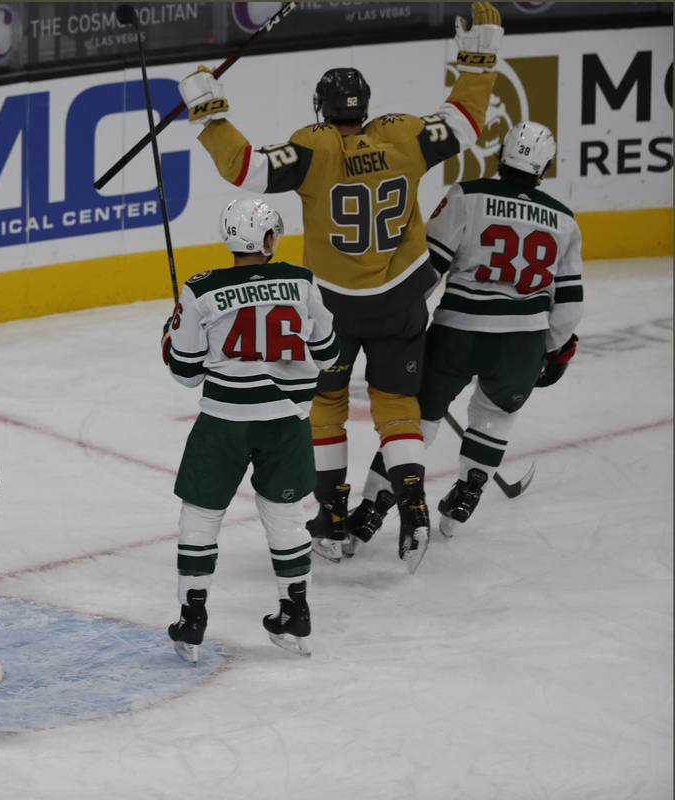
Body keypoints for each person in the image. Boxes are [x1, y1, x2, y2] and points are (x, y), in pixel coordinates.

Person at [177, 2, 505, 573]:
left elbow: (245, 170)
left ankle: (330, 517)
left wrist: (211, 114)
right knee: (398, 404)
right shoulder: (405, 135)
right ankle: (413, 503)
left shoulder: (313, 147)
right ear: (367, 105)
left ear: (322, 109)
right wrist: (478, 61)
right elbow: (465, 123)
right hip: (402, 297)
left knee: (325, 404)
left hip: (332, 305)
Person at [164, 196, 339, 662]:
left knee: (201, 514)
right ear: (266, 239)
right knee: (284, 517)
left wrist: (171, 334)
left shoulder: (200, 290)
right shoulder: (302, 282)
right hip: (286, 423)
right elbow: (329, 353)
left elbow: (185, 373)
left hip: (223, 421)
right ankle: (295, 611)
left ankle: (192, 618)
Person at [413, 120, 582, 536]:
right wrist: (553, 348)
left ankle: (379, 501)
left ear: (500, 155)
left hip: (458, 333)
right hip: (521, 345)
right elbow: (569, 305)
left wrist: (403, 320)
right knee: (495, 416)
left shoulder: (467, 194)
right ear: (545, 168)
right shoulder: (564, 220)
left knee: (417, 418)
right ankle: (469, 491)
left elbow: (428, 269)